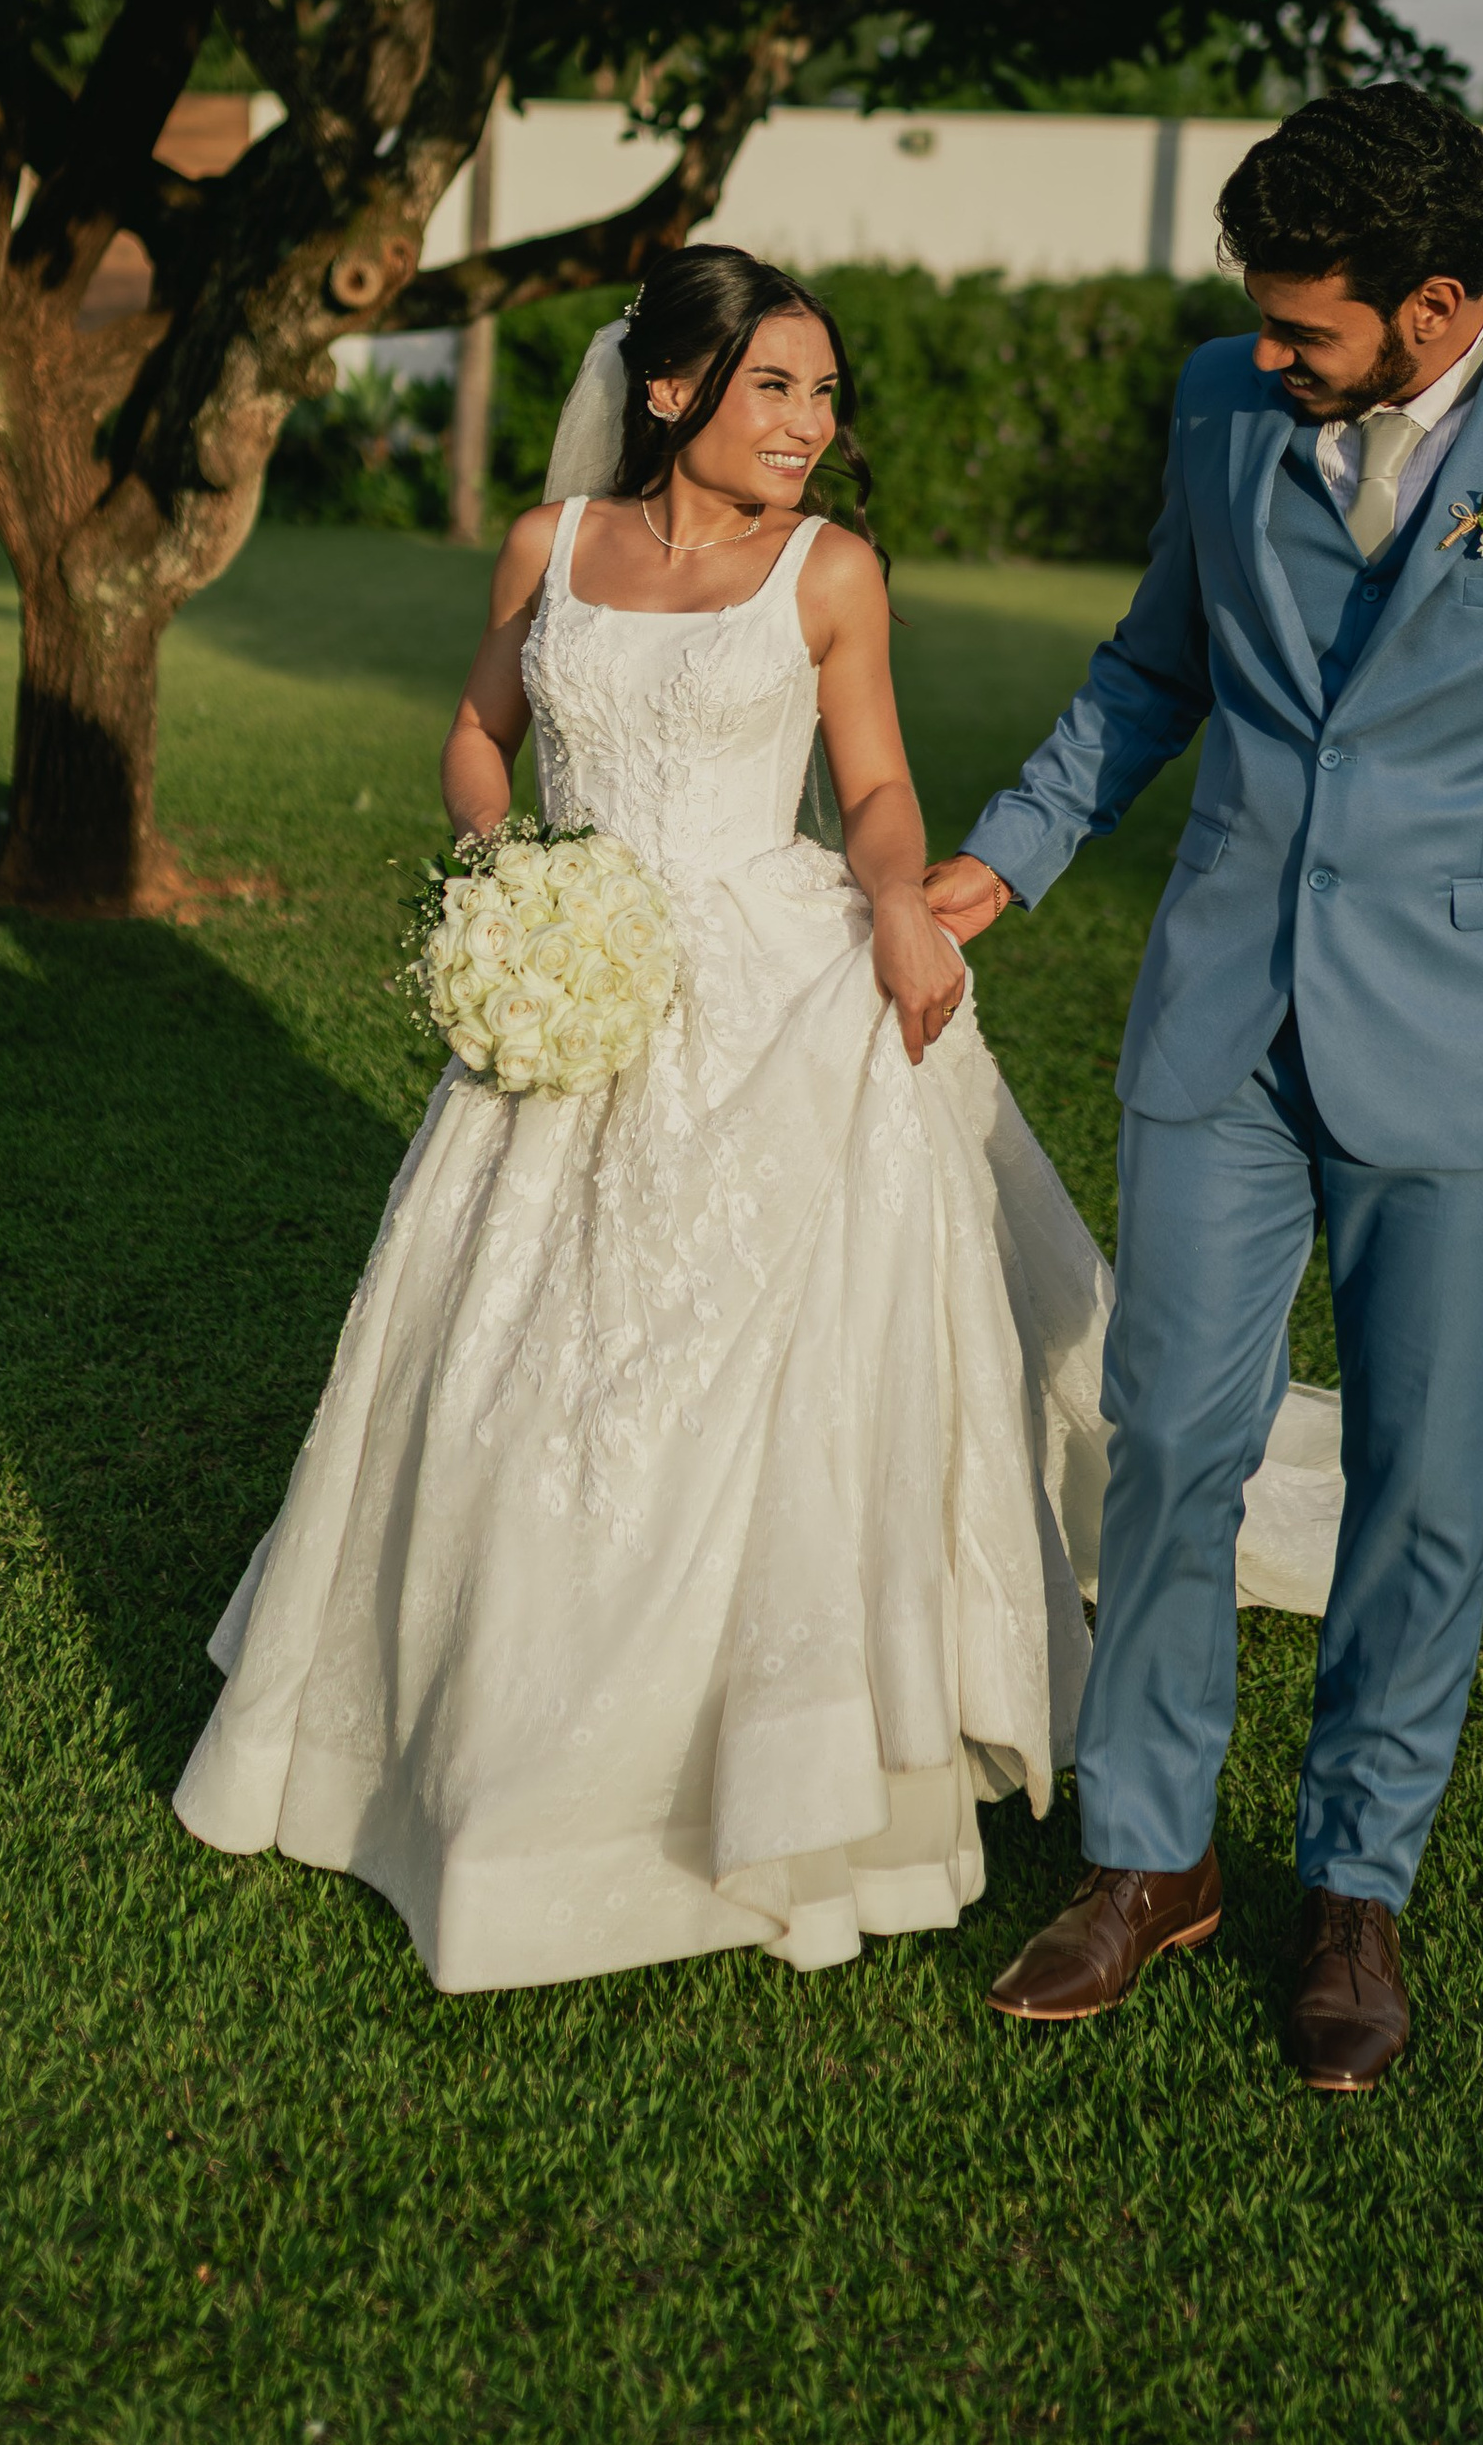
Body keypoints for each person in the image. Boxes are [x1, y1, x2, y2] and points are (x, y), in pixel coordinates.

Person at [927, 85, 1483, 2092]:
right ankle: (1146, 1858)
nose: (1264, 355)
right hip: (1218, 1022)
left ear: (1430, 302)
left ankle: (1350, 1891)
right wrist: (1007, 853)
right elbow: (1153, 668)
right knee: (1163, 1441)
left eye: (1303, 326)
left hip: (1473, 1049)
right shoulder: (1226, 409)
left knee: (1419, 1494)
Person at [175, 248, 1131, 1989]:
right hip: (572, 983)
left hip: (768, 997)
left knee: (740, 1377)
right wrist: (506, 872)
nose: (813, 425)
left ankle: (754, 1775)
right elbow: (481, 735)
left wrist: (902, 899)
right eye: (779, 387)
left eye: (829, 396)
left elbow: (881, 785)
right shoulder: (550, 550)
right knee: (512, 1362)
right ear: (674, 391)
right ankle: (470, 1752)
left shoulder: (829, 573)